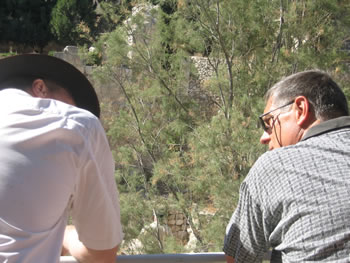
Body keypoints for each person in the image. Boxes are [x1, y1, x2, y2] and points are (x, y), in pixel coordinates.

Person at [0, 54, 124, 263]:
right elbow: (102, 254)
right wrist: (65, 235)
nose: (74, 110)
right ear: (40, 88)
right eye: (72, 104)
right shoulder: (76, 125)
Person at [224, 70, 350, 262]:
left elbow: (239, 258)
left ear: (300, 109)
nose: (264, 137)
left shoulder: (275, 165)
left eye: (268, 123)